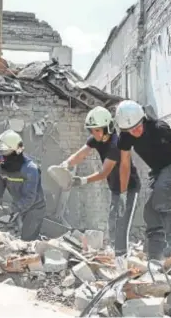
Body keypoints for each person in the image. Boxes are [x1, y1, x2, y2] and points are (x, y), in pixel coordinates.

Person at [115, 100, 171, 260]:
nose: (136, 131)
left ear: (143, 119)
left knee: (161, 191)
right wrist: (123, 192)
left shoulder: (159, 129)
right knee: (150, 210)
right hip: (159, 170)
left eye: (138, 126)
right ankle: (155, 254)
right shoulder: (125, 137)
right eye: (131, 130)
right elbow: (125, 165)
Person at [60, 106, 141, 257]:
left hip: (128, 187)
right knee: (113, 219)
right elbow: (81, 154)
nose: (94, 133)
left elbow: (104, 172)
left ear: (107, 128)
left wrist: (82, 180)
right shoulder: (97, 139)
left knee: (122, 221)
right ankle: (115, 250)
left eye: (97, 130)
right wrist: (66, 164)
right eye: (92, 130)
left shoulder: (116, 144)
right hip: (116, 188)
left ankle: (121, 255)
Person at [0, 129, 46, 241]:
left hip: (35, 207)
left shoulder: (30, 169)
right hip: (19, 206)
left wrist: (8, 210)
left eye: (6, 153)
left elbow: (29, 199)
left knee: (27, 239)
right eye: (1, 153)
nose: (3, 158)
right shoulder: (1, 169)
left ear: (17, 151)